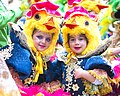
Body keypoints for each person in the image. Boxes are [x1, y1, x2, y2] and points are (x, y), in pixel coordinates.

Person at [0, 1, 70, 96]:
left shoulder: (43, 58)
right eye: (39, 37)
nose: (43, 42)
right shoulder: (20, 52)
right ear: (30, 35)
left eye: (48, 39)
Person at [61, 6, 114, 96]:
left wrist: (84, 74)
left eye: (81, 39)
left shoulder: (93, 59)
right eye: (72, 40)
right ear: (67, 41)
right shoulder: (64, 58)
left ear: (88, 40)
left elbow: (100, 81)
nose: (76, 43)